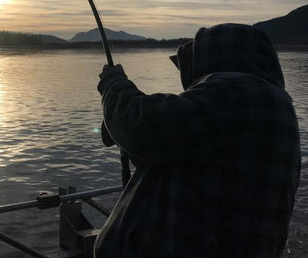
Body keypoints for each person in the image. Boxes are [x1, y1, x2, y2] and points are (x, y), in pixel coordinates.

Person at [94, 23, 300, 258]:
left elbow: (142, 125)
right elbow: (188, 164)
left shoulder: (234, 91)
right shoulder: (266, 101)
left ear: (219, 57)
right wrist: (124, 136)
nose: (188, 76)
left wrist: (113, 85)